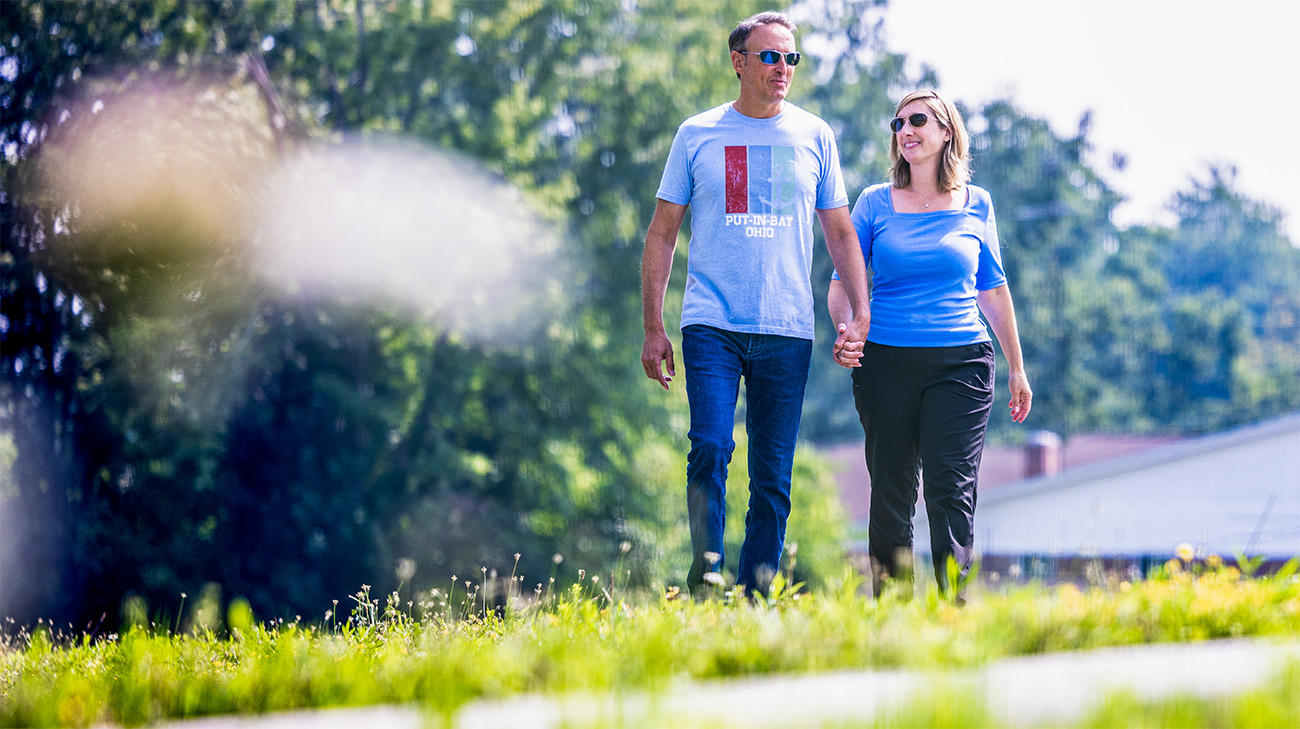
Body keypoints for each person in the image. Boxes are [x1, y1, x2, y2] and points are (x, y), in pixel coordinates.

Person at [640, 11, 872, 598]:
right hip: (711, 321)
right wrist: (653, 326)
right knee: (711, 446)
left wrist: (860, 314)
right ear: (739, 62)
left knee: (772, 474)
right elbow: (663, 232)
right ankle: (706, 575)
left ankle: (757, 592)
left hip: (787, 325)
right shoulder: (698, 135)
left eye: (790, 58)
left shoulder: (815, 135)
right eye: (769, 57)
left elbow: (841, 233)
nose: (782, 69)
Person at [828, 89, 1032, 598]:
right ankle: (893, 613)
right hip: (885, 363)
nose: (905, 131)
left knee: (951, 489)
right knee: (892, 495)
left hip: (962, 363)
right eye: (897, 123)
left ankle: (952, 609)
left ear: (947, 131)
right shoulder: (874, 201)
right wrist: (847, 327)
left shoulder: (977, 202)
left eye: (917, 120)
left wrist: (1017, 368)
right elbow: (840, 281)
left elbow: (993, 288)